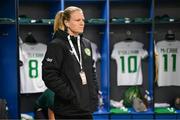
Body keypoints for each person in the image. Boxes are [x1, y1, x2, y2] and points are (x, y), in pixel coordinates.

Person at [42, 6, 99, 119]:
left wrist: (94, 92)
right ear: (67, 22)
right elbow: (49, 75)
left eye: (83, 20)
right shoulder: (57, 44)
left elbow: (91, 70)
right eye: (78, 20)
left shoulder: (86, 44)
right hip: (67, 111)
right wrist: (70, 95)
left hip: (86, 110)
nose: (82, 23)